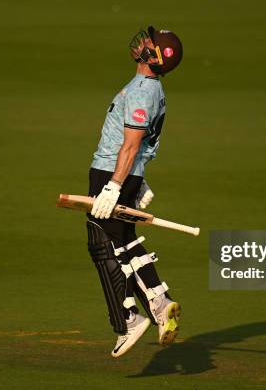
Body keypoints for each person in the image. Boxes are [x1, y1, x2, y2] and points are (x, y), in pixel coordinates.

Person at [85, 26, 183, 357]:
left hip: (111, 172)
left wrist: (115, 185)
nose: (142, 41)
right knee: (120, 240)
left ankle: (129, 318)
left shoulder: (144, 91)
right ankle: (158, 302)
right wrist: (138, 180)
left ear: (154, 57)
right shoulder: (150, 89)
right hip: (123, 173)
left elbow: (132, 143)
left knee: (105, 244)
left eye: (149, 42)